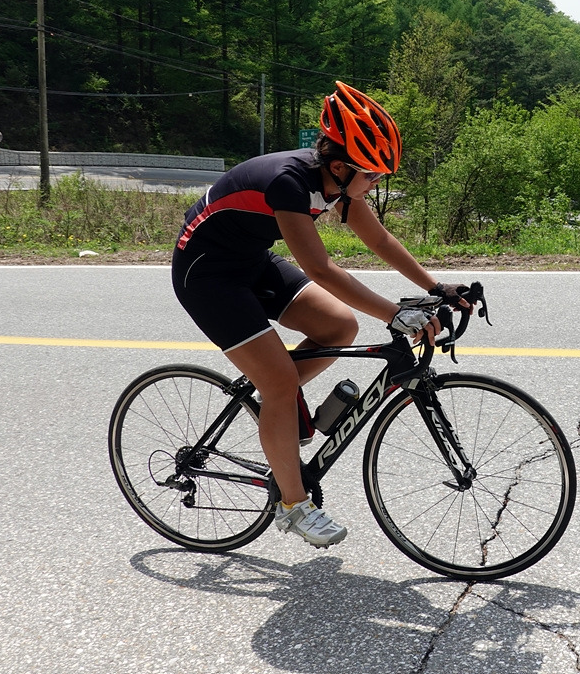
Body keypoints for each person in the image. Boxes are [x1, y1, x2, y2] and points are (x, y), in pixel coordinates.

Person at [171, 81, 466, 548]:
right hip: (206, 275)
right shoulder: (289, 182)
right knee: (280, 383)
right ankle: (292, 505)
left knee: (339, 325)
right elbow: (320, 268)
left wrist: (434, 287)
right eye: (373, 175)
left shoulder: (340, 184)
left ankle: (278, 406)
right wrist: (395, 314)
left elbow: (379, 239)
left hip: (249, 260)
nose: (376, 184)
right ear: (339, 166)